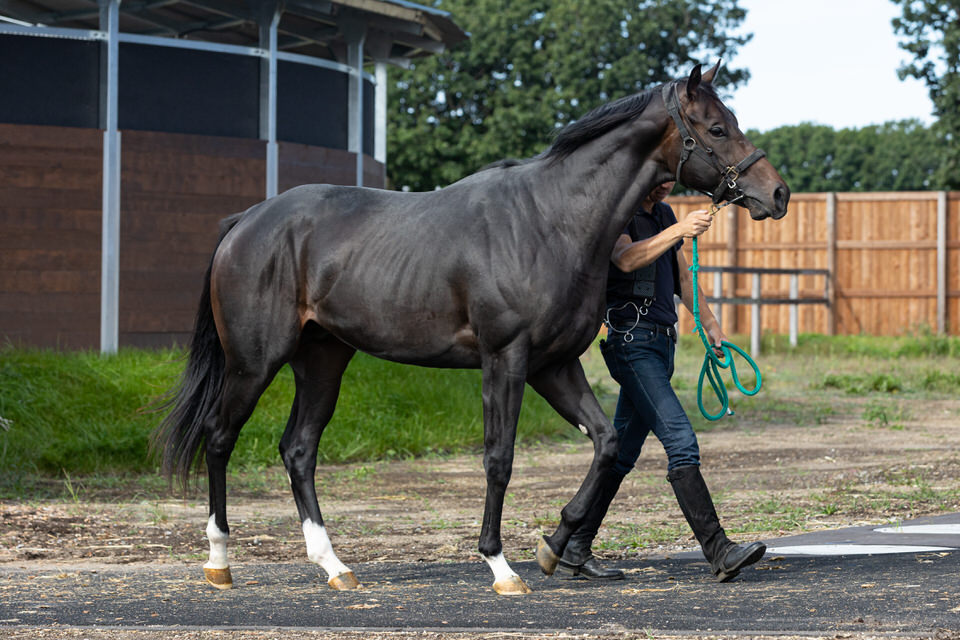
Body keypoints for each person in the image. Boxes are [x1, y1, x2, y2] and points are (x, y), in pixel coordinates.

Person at [556, 181, 766, 583]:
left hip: (660, 345)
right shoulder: (622, 212)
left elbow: (684, 278)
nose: (669, 181)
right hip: (631, 344)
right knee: (681, 442)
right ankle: (719, 550)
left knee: (618, 455)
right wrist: (679, 230)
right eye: (662, 173)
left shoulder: (665, 214)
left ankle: (572, 549)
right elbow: (626, 259)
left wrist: (711, 325)